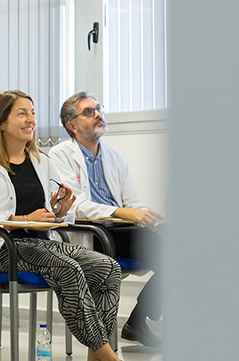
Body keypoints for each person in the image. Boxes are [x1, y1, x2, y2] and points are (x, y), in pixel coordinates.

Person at [0, 90, 123, 361]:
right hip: (4, 248)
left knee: (109, 269)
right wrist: (24, 220)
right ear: (1, 122)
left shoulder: (41, 161)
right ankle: (107, 356)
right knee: (69, 270)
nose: (31, 120)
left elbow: (53, 212)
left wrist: (59, 211)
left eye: (33, 113)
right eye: (22, 113)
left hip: (41, 244)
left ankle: (96, 355)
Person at [50, 92, 164, 347]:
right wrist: (124, 213)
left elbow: (134, 203)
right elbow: (75, 205)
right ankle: (139, 323)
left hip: (120, 232)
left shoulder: (114, 157)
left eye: (99, 108)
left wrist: (148, 217)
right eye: (88, 112)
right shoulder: (59, 155)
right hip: (93, 234)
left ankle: (138, 321)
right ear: (72, 125)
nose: (98, 114)